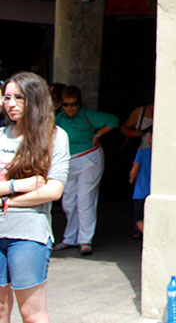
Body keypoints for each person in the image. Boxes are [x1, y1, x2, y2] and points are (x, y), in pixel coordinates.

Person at [0, 72, 70, 323]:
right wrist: (21, 185)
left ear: (36, 100)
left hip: (29, 234)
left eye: (19, 97)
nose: (10, 103)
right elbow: (39, 188)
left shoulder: (54, 137)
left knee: (31, 313)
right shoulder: (1, 135)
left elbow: (53, 190)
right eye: (7, 97)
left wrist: (6, 198)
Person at [52, 85, 118, 256]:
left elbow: (113, 120)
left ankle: (85, 240)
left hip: (89, 159)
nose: (70, 108)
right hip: (69, 162)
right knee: (68, 201)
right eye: (66, 104)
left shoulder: (88, 115)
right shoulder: (59, 118)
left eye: (74, 104)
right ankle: (69, 238)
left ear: (79, 103)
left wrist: (98, 135)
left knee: (85, 199)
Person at [128, 130, 151, 238]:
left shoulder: (142, 152)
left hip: (140, 191)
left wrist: (131, 179)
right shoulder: (162, 155)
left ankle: (148, 236)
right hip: (152, 191)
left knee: (139, 218)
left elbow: (134, 170)